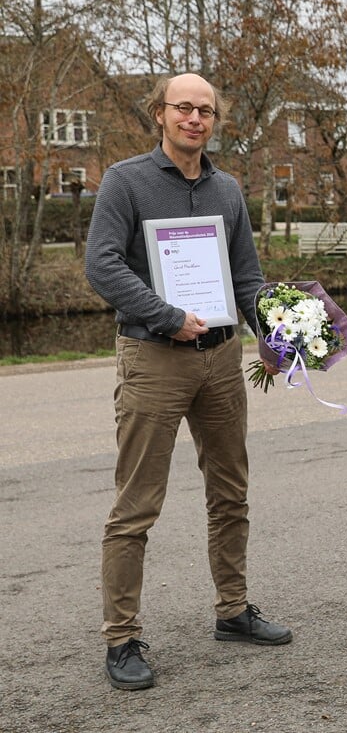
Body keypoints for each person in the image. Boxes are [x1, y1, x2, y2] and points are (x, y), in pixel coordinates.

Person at [84, 73, 291, 691]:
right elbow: (102, 264)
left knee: (231, 492)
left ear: (214, 120)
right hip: (154, 357)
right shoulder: (126, 181)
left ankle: (232, 610)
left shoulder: (227, 189)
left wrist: (278, 335)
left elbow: (247, 278)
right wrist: (168, 317)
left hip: (222, 360)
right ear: (160, 114)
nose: (194, 119)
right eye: (183, 108)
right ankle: (121, 638)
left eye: (205, 110)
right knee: (136, 506)